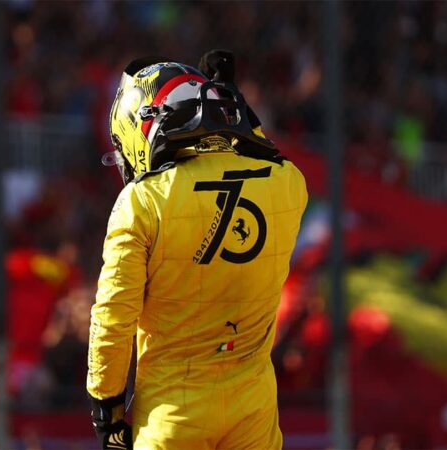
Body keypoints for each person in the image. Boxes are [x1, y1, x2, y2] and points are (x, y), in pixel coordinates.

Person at [87, 50, 308, 450]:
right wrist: (240, 115)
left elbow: (113, 319)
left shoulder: (141, 203)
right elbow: (268, 153)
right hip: (253, 411)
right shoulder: (288, 185)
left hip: (173, 415)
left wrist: (108, 411)